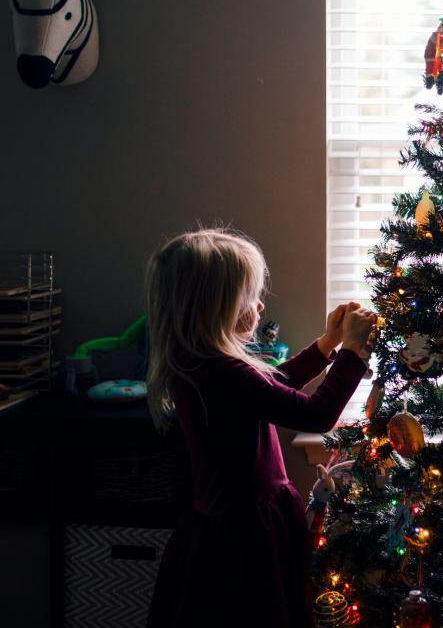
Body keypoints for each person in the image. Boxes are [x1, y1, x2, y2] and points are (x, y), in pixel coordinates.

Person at [143, 228, 375, 628]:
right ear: (215, 308)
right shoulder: (223, 372)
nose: (260, 304)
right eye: (249, 298)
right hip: (244, 535)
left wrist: (326, 345)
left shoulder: (203, 364)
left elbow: (273, 387)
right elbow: (317, 415)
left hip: (229, 525)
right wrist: (352, 353)